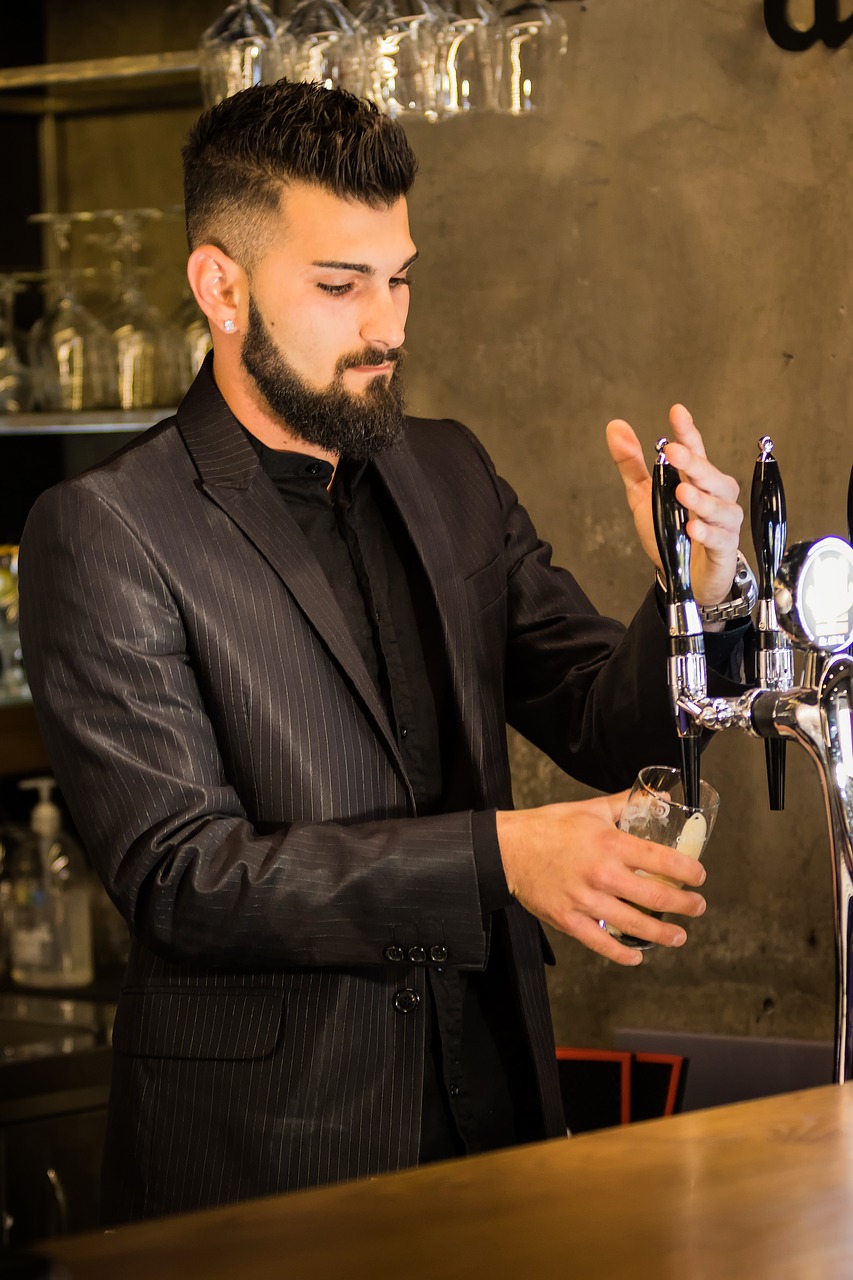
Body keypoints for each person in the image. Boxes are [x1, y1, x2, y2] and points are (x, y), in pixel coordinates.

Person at [17, 80, 746, 1225]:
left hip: (501, 1128)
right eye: (340, 284)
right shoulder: (107, 529)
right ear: (221, 286)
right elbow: (181, 878)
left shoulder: (448, 468)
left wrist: (691, 591)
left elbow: (602, 720)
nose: (389, 323)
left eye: (399, 276)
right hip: (267, 1170)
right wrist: (497, 860)